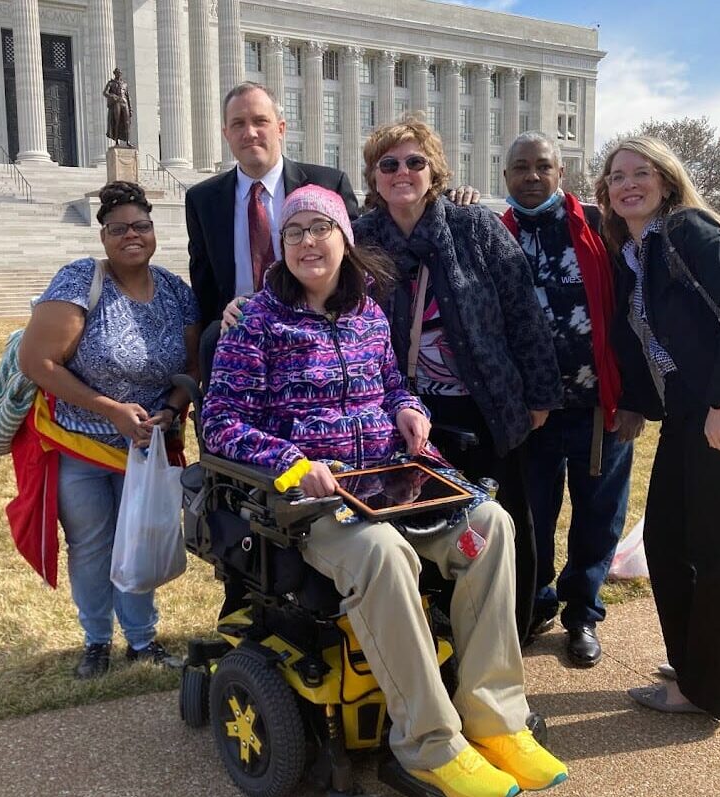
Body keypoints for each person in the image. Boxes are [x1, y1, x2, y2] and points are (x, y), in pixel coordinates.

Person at [202, 184, 568, 797]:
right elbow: (220, 423)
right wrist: (291, 462)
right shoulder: (256, 324)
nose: (308, 242)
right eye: (295, 232)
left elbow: (392, 385)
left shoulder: (368, 314)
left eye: (322, 229)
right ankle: (428, 743)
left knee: (492, 526)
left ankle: (493, 718)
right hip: (307, 500)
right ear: (282, 247)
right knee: (383, 554)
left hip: (388, 479)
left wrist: (408, 411)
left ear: (346, 240)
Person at [352, 117, 563, 643]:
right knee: (421, 523)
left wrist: (538, 393)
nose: (403, 172)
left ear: (435, 171)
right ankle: (441, 634)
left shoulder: (474, 228)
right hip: (401, 413)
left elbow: (522, 314)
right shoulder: (359, 240)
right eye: (389, 164)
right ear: (375, 178)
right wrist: (246, 305)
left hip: (484, 404)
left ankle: (511, 629)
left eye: (415, 162)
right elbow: (303, 282)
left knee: (501, 520)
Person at [596, 136, 720, 718]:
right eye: (616, 176)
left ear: (667, 181)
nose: (627, 184)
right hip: (687, 410)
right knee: (670, 541)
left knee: (711, 546)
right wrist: (638, 407)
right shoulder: (636, 254)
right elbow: (657, 344)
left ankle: (703, 692)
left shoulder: (688, 230)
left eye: (640, 172)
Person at [18, 181, 199, 679]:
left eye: (141, 226)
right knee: (93, 543)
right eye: (118, 229)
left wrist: (172, 406)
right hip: (80, 441)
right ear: (103, 237)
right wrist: (109, 409)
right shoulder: (81, 280)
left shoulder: (176, 293)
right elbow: (36, 360)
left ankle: (142, 640)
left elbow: (193, 365)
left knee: (139, 538)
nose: (131, 236)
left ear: (154, 231)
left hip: (144, 447)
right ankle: (96, 639)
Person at [500, 132, 644, 667]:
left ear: (562, 172)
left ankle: (581, 612)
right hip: (531, 413)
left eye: (543, 166)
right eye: (521, 168)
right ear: (506, 176)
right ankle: (534, 605)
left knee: (598, 513)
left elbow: (634, 315)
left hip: (597, 405)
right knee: (529, 516)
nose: (532, 176)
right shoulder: (495, 233)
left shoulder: (598, 227)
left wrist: (632, 398)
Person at [185, 81, 360, 332]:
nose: (250, 133)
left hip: (316, 335)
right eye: (238, 124)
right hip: (238, 336)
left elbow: (353, 262)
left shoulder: (328, 184)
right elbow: (204, 282)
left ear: (280, 128)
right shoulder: (202, 200)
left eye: (260, 121)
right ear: (226, 134)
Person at [104, 68, 133, 147]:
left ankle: (127, 141)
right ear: (115, 73)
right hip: (117, 103)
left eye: (120, 72)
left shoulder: (124, 84)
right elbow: (105, 93)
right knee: (117, 121)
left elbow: (128, 97)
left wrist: (130, 109)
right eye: (117, 73)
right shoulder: (111, 83)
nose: (119, 74)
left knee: (127, 122)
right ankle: (116, 141)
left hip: (125, 102)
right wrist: (112, 96)